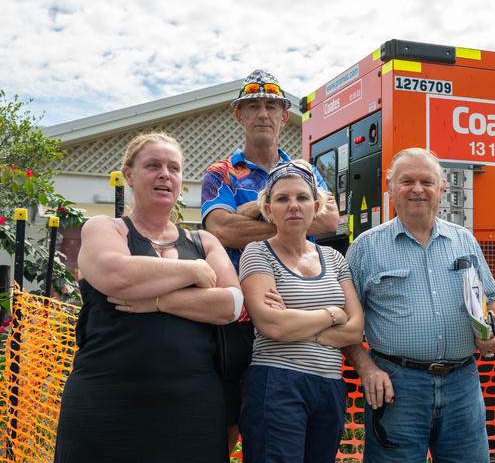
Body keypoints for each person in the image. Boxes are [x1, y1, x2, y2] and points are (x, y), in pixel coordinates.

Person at [54, 132, 241, 463]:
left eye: (173, 168)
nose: (164, 175)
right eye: (153, 165)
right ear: (129, 174)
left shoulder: (203, 241)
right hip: (106, 404)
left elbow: (230, 305)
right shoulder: (105, 229)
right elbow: (115, 274)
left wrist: (157, 302)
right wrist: (191, 273)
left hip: (192, 409)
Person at [343, 148, 495, 463]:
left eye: (427, 181)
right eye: (407, 181)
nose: (417, 189)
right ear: (391, 187)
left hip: (463, 384)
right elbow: (344, 322)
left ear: (442, 188)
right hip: (397, 386)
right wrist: (366, 369)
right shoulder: (365, 248)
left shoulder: (465, 241)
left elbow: (493, 298)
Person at [201, 69, 339, 450]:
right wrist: (293, 221)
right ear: (239, 116)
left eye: (271, 106)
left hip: (295, 305)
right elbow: (221, 232)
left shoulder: (306, 170)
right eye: (253, 106)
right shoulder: (221, 172)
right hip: (238, 313)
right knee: (227, 421)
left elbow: (330, 218)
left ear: (283, 116)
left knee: (286, 423)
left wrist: (251, 211)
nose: (262, 113)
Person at [238, 160, 363, 462]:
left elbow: (356, 329)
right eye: (282, 198)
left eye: (302, 197)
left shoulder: (334, 258)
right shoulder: (257, 252)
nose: (293, 205)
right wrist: (333, 314)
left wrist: (297, 322)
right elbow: (273, 326)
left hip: (329, 386)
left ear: (316, 205)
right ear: (268, 210)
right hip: (277, 384)